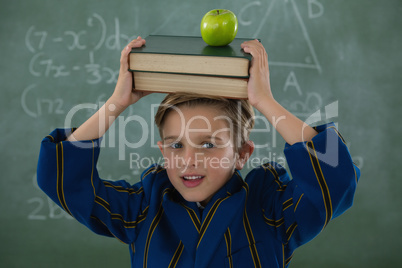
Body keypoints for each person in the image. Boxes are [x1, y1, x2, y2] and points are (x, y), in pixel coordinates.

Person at [37, 36, 360, 268]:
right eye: (176, 145)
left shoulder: (270, 208)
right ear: (163, 152)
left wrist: (265, 102)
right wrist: (116, 103)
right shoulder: (143, 208)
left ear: (242, 153)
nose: (189, 160)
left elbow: (335, 181)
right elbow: (62, 182)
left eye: (208, 144)